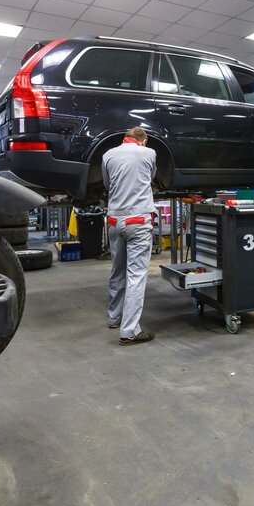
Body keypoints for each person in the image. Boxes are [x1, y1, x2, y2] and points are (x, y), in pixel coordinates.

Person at [103, 127, 158, 345]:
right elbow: (149, 178)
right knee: (136, 276)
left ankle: (114, 318)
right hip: (138, 220)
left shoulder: (108, 155)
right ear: (142, 141)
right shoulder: (149, 153)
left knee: (117, 271)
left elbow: (108, 184)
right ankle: (129, 331)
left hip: (114, 220)